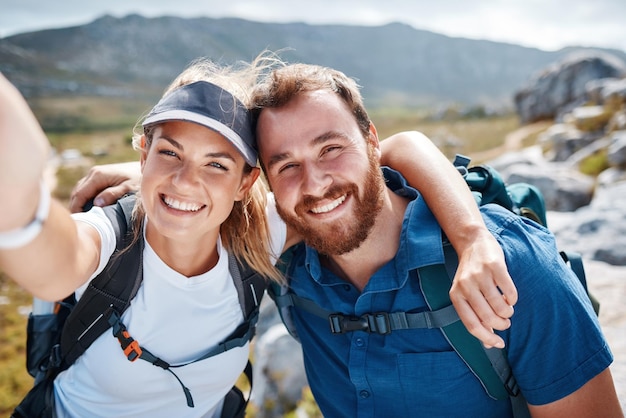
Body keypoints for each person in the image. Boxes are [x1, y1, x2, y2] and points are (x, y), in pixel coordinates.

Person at [0, 56, 514, 417]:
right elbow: (57, 260)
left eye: (216, 164)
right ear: (143, 153)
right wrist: (21, 209)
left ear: (247, 181)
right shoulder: (109, 238)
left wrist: (473, 239)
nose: (186, 181)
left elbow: (398, 147)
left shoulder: (260, 232)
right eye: (169, 154)